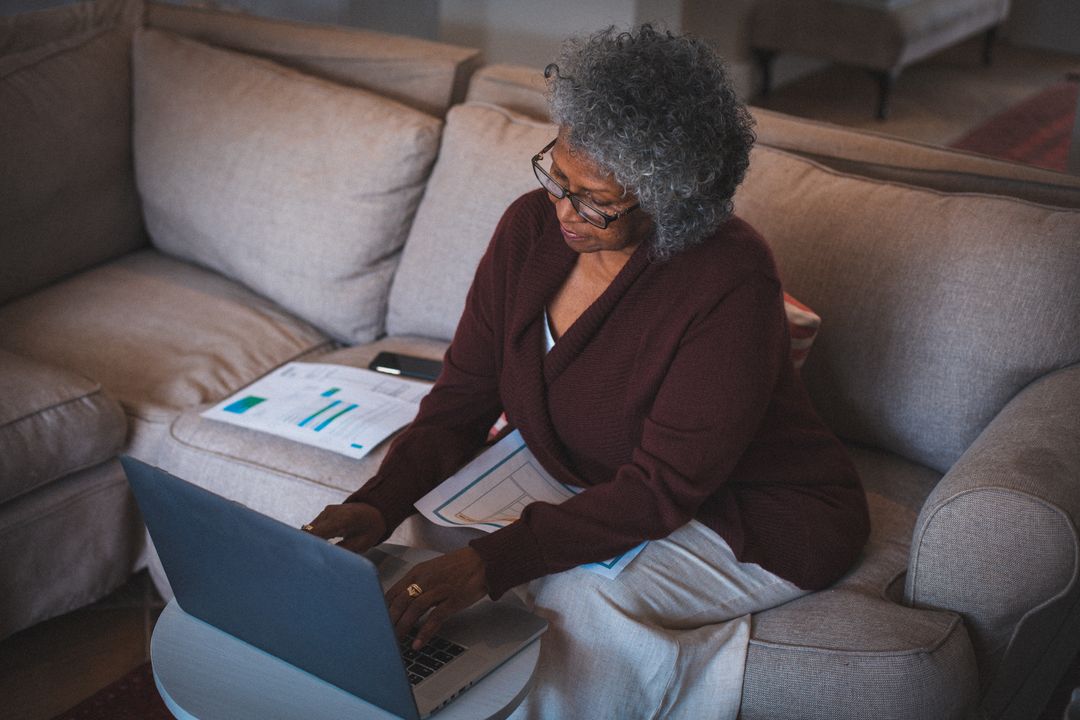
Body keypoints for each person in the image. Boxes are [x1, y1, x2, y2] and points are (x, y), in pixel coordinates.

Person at [305, 24, 870, 719]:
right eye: (558, 176)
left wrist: (491, 564)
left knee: (580, 601)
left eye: (594, 198)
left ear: (670, 195)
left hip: (759, 512)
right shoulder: (527, 233)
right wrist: (381, 500)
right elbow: (461, 403)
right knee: (422, 547)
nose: (563, 211)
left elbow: (662, 490)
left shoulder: (728, 283)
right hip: (602, 476)